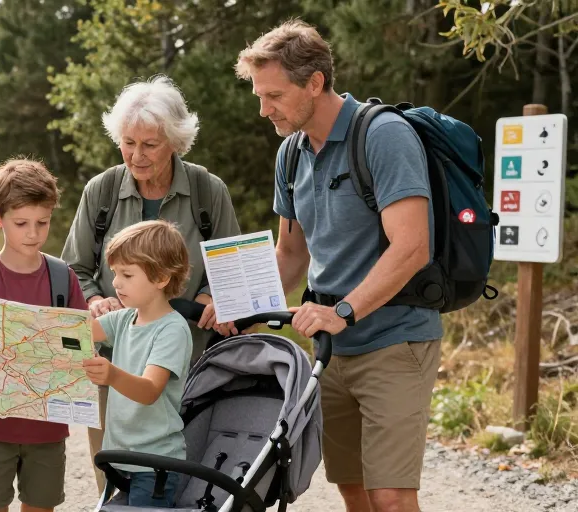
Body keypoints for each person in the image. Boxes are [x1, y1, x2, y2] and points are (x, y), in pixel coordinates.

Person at [234, 20, 442, 512]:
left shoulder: (383, 136)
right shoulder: (291, 153)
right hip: (329, 348)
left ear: (315, 82)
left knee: (390, 496)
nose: (264, 110)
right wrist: (240, 310)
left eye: (274, 95)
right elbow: (291, 254)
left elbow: (413, 247)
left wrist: (343, 311)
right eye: (259, 96)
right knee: (352, 488)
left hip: (395, 338)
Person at [60, 75, 241, 493]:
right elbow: (76, 268)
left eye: (149, 145)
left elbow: (232, 268)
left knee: (185, 475)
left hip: (193, 361)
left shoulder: (207, 190)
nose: (136, 156)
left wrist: (214, 296)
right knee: (115, 477)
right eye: (128, 143)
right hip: (116, 356)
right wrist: (96, 299)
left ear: (175, 141)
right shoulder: (101, 191)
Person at [0, 159, 89, 512]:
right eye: (21, 223)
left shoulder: (63, 279)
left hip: (47, 430)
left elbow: (79, 346)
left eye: (42, 223)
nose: (33, 233)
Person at [82, 220, 193, 508]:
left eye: (127, 274)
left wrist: (111, 375)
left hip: (155, 464)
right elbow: (78, 332)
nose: (116, 283)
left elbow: (149, 391)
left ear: (161, 278)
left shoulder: (172, 330)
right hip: (122, 458)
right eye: (115, 273)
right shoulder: (124, 318)